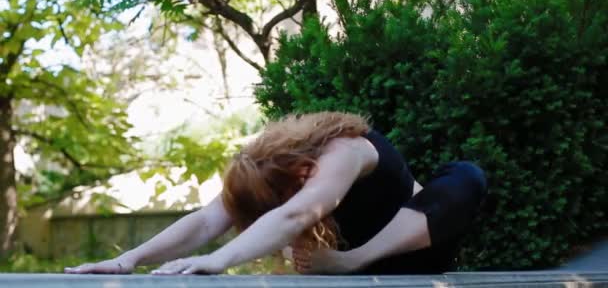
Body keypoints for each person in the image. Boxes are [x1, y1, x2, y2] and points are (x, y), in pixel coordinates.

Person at [65, 111, 487, 275]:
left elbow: (298, 214)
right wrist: (127, 260)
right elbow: (208, 219)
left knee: (466, 176)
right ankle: (346, 262)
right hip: (343, 269)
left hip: (414, 254)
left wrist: (217, 259)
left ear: (301, 171)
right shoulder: (263, 166)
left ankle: (350, 260)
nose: (277, 209)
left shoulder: (344, 150)